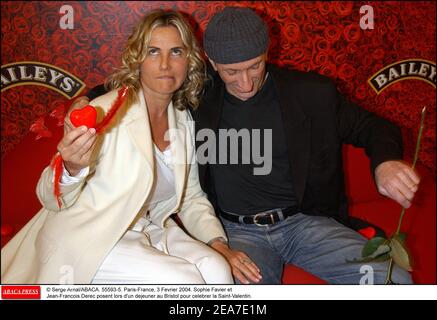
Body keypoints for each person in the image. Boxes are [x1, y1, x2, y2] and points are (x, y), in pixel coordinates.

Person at [65, 7, 420, 285]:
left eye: (255, 67)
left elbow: (374, 127)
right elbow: (135, 82)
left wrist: (385, 162)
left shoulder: (311, 94)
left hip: (304, 224)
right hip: (237, 231)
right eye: (231, 72)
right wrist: (86, 101)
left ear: (267, 53)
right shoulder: (198, 91)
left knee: (395, 279)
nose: (246, 82)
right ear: (211, 64)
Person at [1, 10, 235, 284]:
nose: (164, 65)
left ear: (189, 60)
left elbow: (191, 197)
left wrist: (217, 241)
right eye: (152, 52)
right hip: (90, 234)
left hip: (148, 227)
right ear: (137, 59)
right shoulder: (105, 111)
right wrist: (72, 166)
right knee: (185, 281)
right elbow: (49, 198)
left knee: (217, 270)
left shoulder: (182, 120)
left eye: (176, 52)